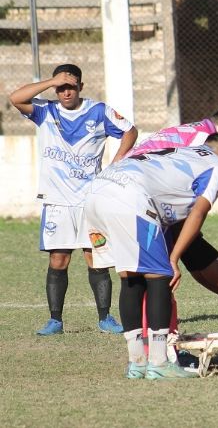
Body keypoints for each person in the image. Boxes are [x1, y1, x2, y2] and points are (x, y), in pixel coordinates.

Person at [84, 133, 218, 380]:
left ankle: (136, 363)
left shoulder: (183, 151)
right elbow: (198, 213)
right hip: (129, 198)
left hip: (96, 193)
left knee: (131, 277)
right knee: (160, 276)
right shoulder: (217, 164)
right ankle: (158, 362)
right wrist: (174, 258)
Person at [8, 63, 138, 336]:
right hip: (57, 202)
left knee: (96, 259)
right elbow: (15, 98)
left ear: (81, 86)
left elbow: (130, 131)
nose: (66, 92)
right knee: (58, 260)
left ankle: (105, 318)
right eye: (61, 87)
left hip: (91, 201)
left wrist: (116, 163)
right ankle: (55, 320)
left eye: (70, 86)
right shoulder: (46, 111)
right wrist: (50, 81)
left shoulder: (98, 111)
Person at [130, 103, 218, 329]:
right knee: (162, 280)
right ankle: (164, 351)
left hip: (132, 201)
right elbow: (196, 207)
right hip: (143, 208)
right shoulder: (203, 146)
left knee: (212, 278)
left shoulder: (195, 132)